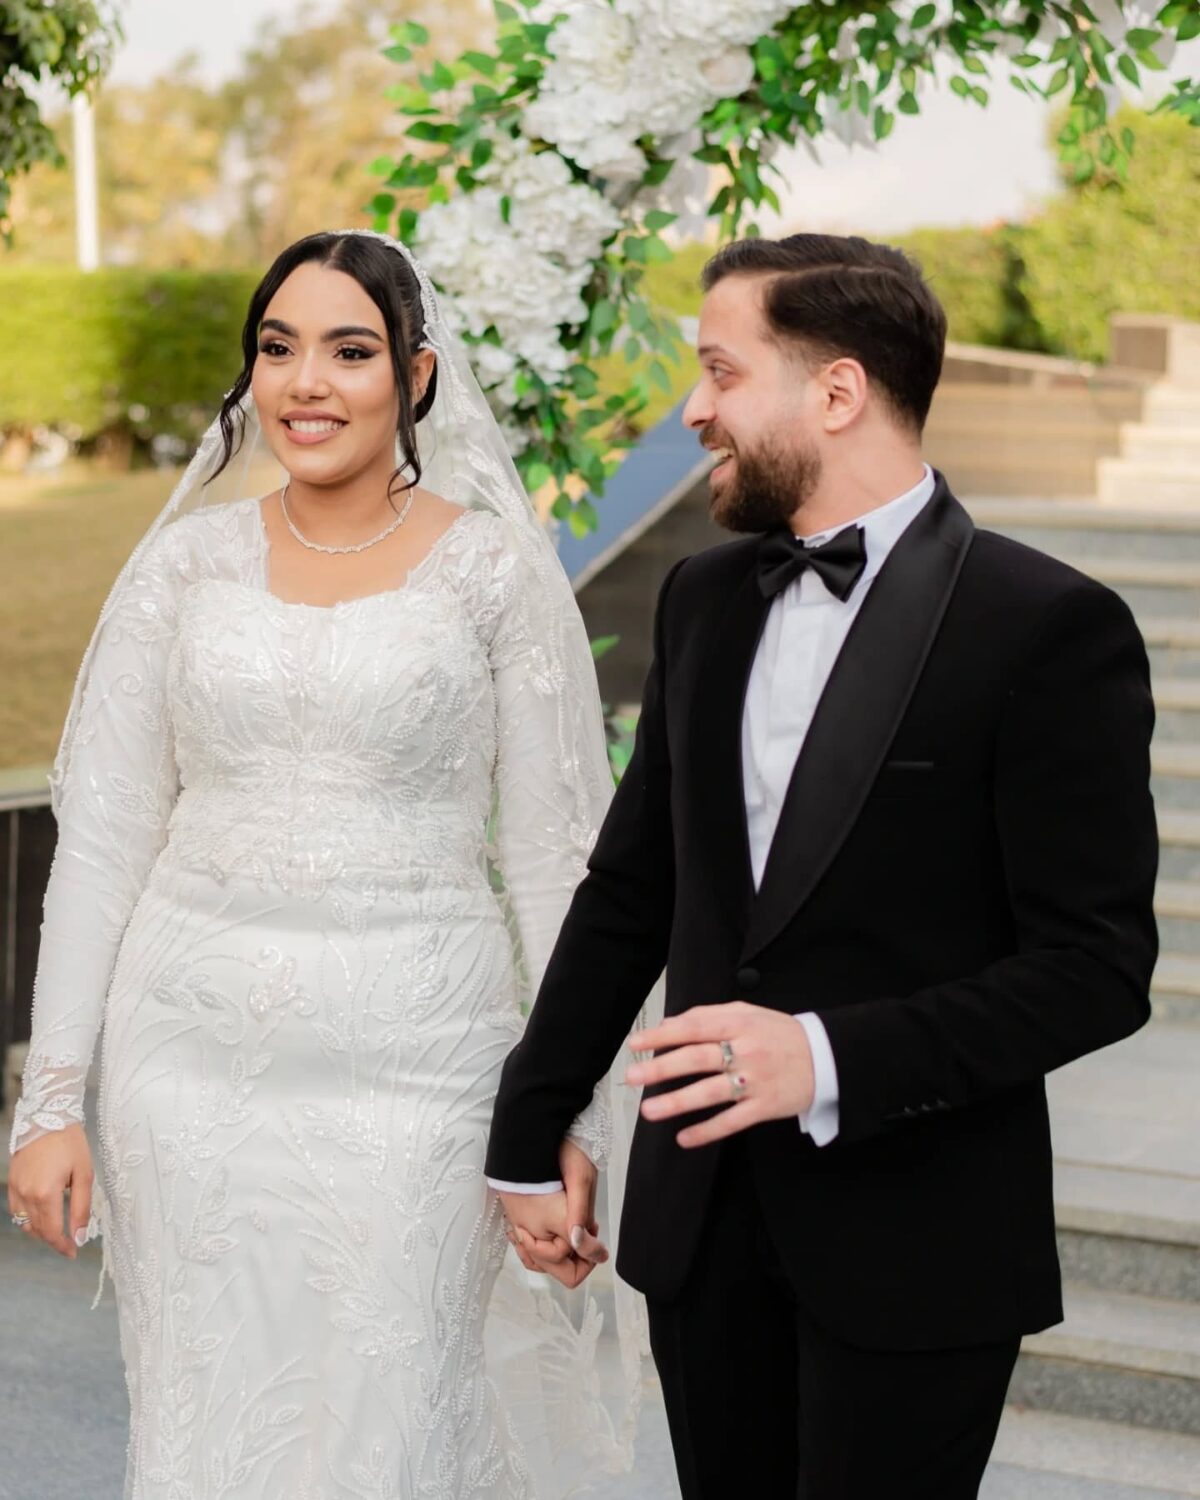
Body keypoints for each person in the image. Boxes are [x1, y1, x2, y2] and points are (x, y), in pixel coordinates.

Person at [487, 233, 1159, 1499]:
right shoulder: (701, 598)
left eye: (721, 372)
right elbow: (633, 890)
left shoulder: (1050, 626)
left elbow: (1097, 968)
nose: (694, 411)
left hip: (920, 1240)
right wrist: (530, 1130)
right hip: (703, 1227)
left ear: (837, 391)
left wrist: (828, 1057)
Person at [7, 229, 637, 1499]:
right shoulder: (184, 566)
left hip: (425, 1070)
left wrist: (569, 1115)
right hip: (187, 1070)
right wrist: (52, 1100)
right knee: (204, 1425)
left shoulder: (493, 571)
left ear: (417, 375)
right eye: (278, 347)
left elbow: (556, 864)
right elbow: (108, 840)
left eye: (349, 352)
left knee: (394, 1422)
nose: (306, 382)